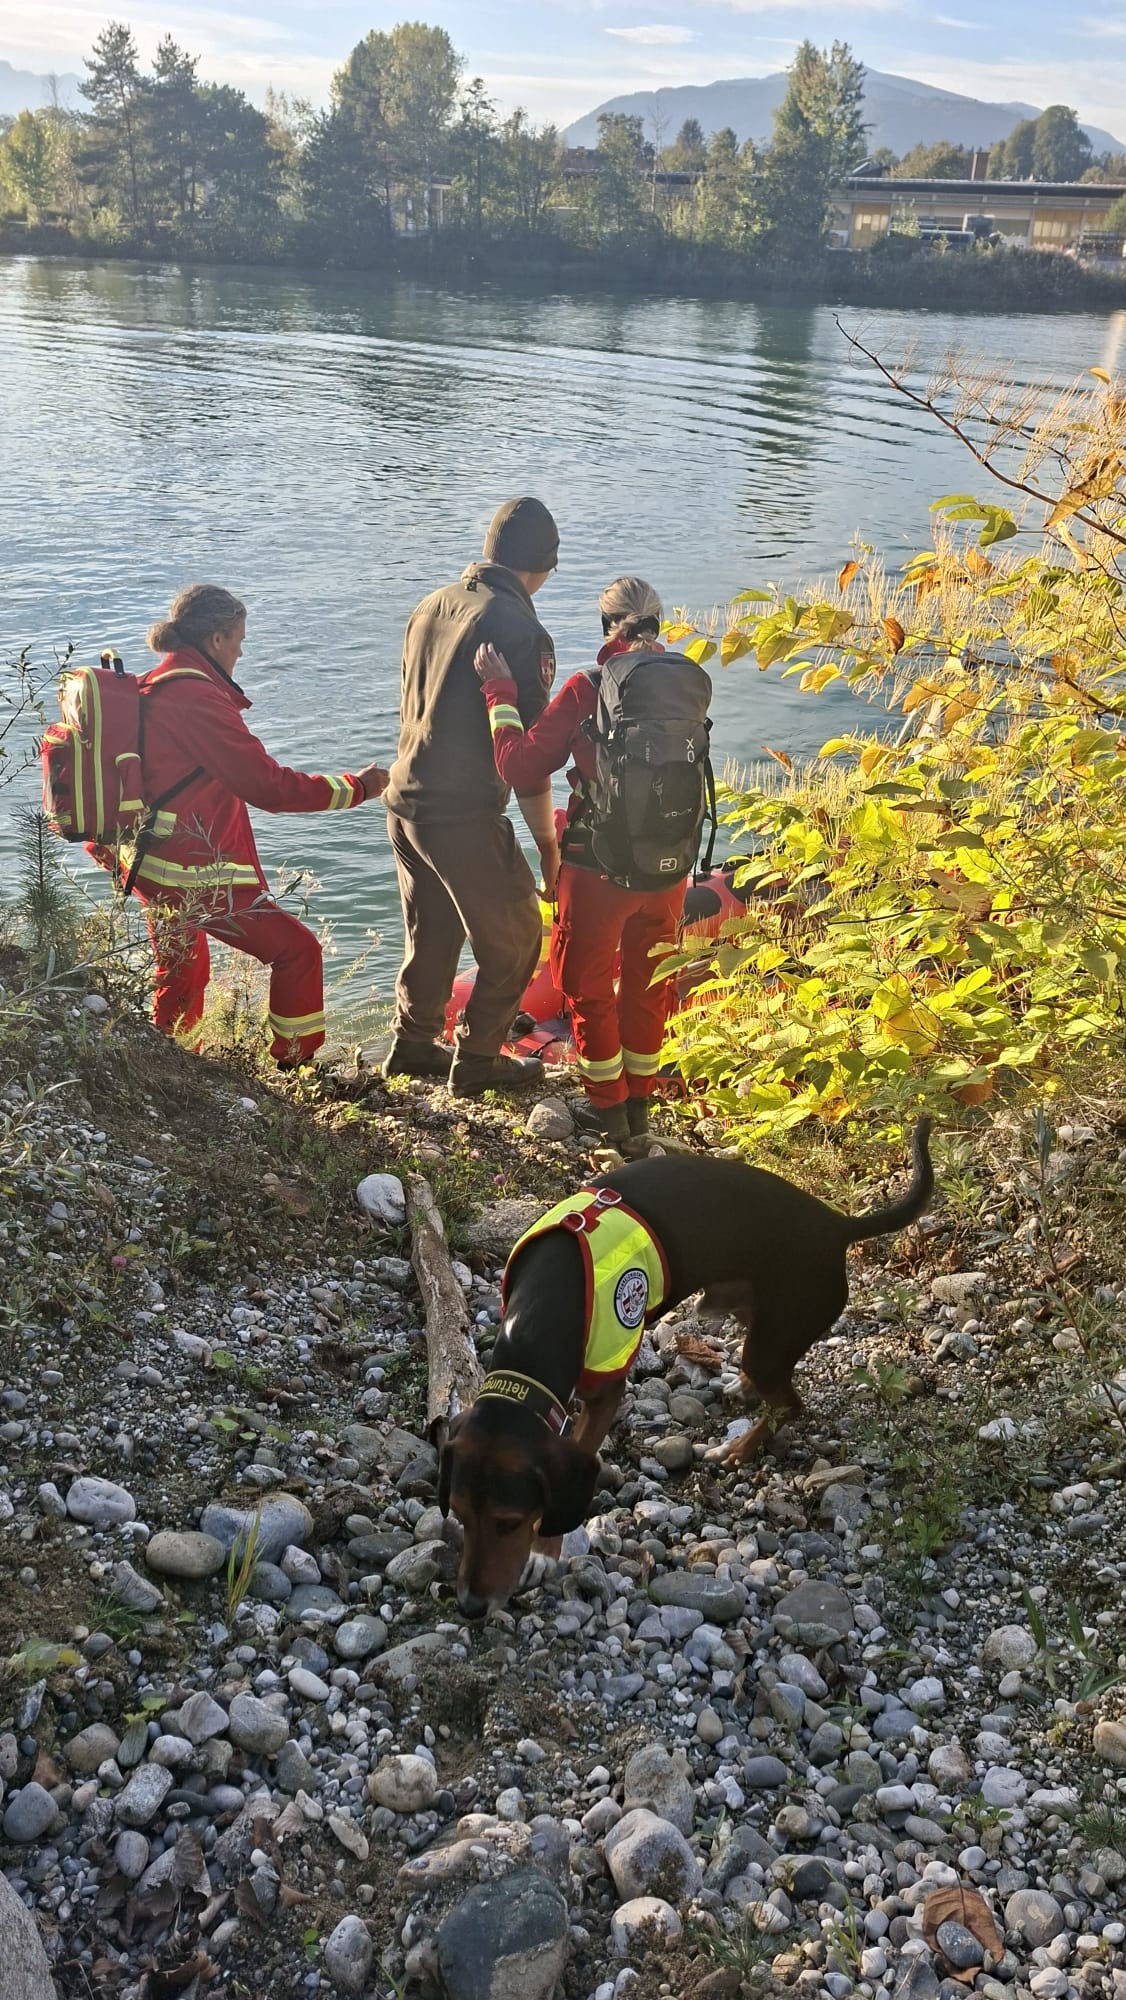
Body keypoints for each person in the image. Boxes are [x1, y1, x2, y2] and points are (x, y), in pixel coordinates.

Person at [98, 583, 388, 1067]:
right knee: (297, 952)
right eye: (239, 641)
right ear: (216, 640)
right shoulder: (195, 698)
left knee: (182, 971)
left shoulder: (155, 683)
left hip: (149, 862)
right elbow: (269, 786)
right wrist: (356, 788)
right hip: (191, 871)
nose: (240, 653)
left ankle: (174, 1064)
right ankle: (296, 1066)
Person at [474, 576, 691, 1149]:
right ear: (659, 622)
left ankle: (607, 1110)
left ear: (604, 626)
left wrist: (499, 694)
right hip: (669, 867)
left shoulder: (587, 688)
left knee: (588, 987)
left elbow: (518, 765)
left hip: (599, 867)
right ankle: (639, 1107)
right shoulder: (685, 685)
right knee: (649, 985)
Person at [381, 497, 562, 1097]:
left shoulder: (431, 605)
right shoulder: (519, 629)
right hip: (462, 814)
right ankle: (479, 1059)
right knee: (516, 939)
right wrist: (547, 846)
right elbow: (527, 755)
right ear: (543, 566)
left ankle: (413, 1045)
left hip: (405, 802)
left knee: (432, 932)